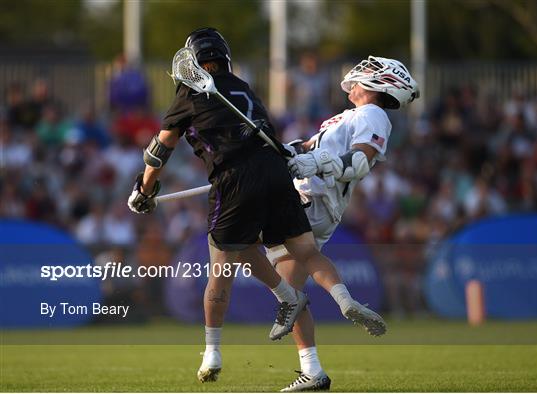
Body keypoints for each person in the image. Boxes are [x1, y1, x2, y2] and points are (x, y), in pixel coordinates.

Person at [127, 28, 385, 384]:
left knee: (221, 263)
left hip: (235, 179)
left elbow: (161, 146)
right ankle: (333, 307)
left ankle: (213, 353)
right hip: (278, 173)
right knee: (302, 250)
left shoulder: (189, 90)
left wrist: (144, 188)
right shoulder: (242, 86)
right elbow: (269, 134)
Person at [262, 56, 419, 391]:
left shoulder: (373, 114)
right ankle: (313, 370)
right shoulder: (350, 116)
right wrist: (293, 152)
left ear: (379, 83)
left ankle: (342, 299)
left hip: (315, 198)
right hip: (314, 199)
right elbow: (312, 147)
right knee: (291, 293)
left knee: (243, 232)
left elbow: (361, 160)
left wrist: (314, 163)